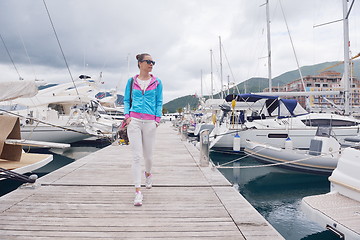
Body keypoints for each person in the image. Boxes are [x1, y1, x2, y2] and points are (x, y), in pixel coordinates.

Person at [123, 53, 163, 206]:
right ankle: (138, 191)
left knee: (148, 156)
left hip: (150, 121)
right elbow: (126, 100)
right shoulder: (131, 81)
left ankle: (148, 173)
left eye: (153, 62)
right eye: (148, 61)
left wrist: (157, 119)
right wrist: (127, 116)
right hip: (134, 121)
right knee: (136, 156)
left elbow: (159, 102)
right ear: (140, 63)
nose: (151, 64)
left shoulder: (157, 82)